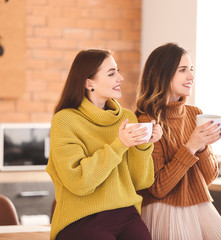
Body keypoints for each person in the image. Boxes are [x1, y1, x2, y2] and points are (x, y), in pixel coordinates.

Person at [46, 49, 163, 240]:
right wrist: (119, 145)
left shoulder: (127, 117)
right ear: (88, 82)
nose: (121, 78)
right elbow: (79, 182)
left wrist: (143, 146)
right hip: (82, 218)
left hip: (126, 213)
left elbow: (140, 181)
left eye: (118, 71)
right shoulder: (65, 120)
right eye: (111, 73)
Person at [135, 43, 221, 240]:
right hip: (163, 206)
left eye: (191, 70)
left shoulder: (195, 114)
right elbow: (159, 188)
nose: (191, 76)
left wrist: (203, 145)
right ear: (162, 74)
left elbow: (208, 178)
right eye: (182, 70)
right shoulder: (147, 121)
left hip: (198, 204)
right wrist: (191, 146)